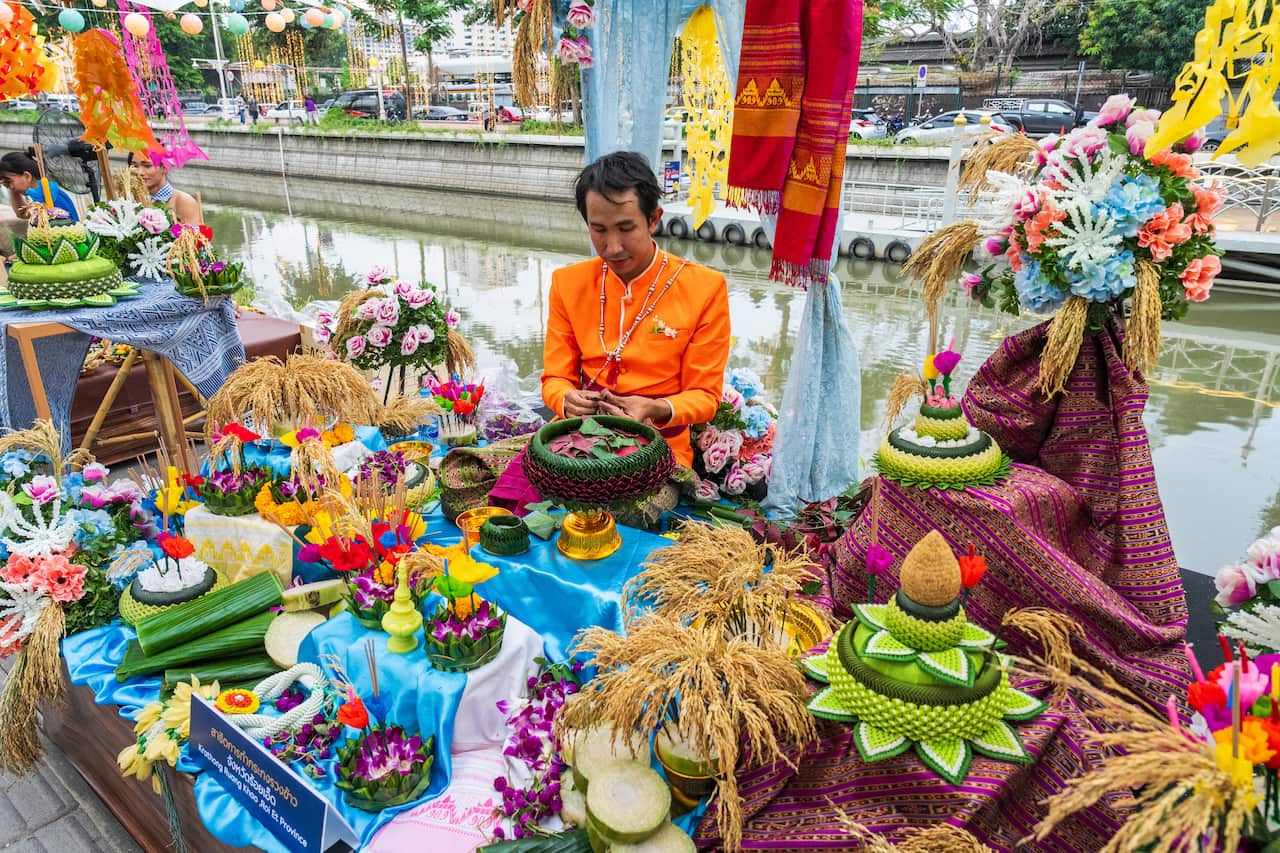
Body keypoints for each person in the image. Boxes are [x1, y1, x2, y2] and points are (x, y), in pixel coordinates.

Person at [541, 151, 731, 468]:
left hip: (659, 447)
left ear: (654, 219)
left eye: (626, 228)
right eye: (599, 230)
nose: (612, 247)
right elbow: (554, 379)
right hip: (575, 442)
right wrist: (566, 399)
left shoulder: (704, 288)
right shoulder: (567, 283)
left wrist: (655, 409)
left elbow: (705, 396)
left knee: (631, 511)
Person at [0, 151, 80, 221]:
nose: (9, 186)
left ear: (27, 176)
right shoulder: (41, 190)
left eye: (9, 181)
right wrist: (11, 188)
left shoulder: (48, 194)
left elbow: (24, 213)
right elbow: (23, 213)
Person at [126, 151, 201, 225]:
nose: (139, 172)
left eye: (147, 166)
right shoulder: (128, 200)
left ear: (165, 167)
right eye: (134, 166)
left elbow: (195, 235)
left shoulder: (183, 201)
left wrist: (173, 229)